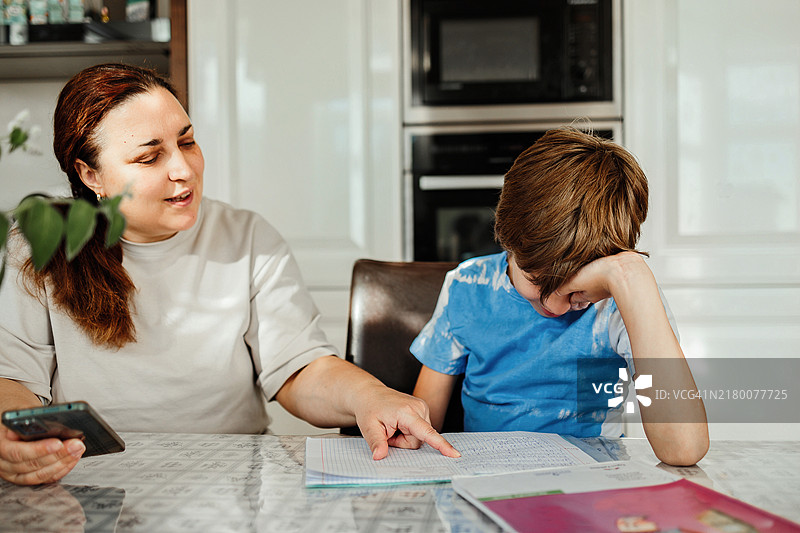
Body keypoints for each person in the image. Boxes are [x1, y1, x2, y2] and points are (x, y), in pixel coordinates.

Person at [0, 63, 458, 486]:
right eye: (149, 157)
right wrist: (12, 438)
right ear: (90, 173)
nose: (184, 169)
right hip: (89, 478)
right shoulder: (37, 246)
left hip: (231, 478)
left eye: (187, 141)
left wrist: (369, 396)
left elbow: (299, 370)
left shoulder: (247, 237)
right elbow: (14, 381)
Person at [411, 127, 709, 466]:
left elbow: (683, 448)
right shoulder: (465, 286)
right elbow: (422, 430)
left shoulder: (623, 301)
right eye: (537, 280)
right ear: (509, 242)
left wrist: (631, 275)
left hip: (593, 488)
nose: (554, 306)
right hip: (485, 480)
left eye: (579, 289)